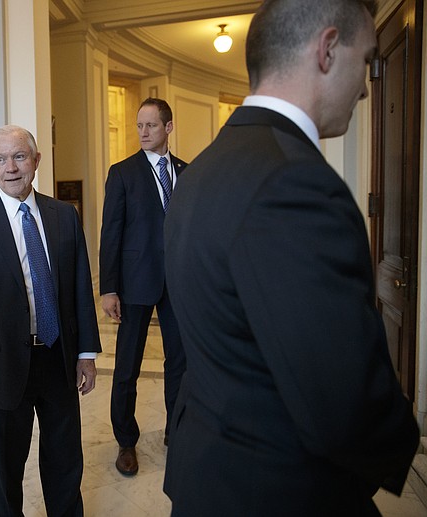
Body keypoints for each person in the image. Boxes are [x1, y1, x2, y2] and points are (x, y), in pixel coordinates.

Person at [162, 1, 419, 515]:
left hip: (211, 472)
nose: (368, 86)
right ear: (326, 49)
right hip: (277, 488)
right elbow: (341, 400)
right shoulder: (293, 182)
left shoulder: (201, 170)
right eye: (367, 61)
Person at [0, 125, 101, 516]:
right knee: (5, 470)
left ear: (36, 161)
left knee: (65, 462)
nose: (11, 167)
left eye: (19, 156)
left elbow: (80, 287)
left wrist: (86, 352)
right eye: (0, 159)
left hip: (58, 358)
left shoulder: (65, 216)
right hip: (0, 368)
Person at [99, 97, 187, 475]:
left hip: (180, 285)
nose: (143, 132)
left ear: (169, 127)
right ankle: (125, 441)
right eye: (139, 125)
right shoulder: (122, 173)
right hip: (135, 284)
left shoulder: (188, 170)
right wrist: (108, 288)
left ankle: (177, 433)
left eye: (151, 125)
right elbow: (111, 234)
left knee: (180, 364)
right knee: (127, 367)